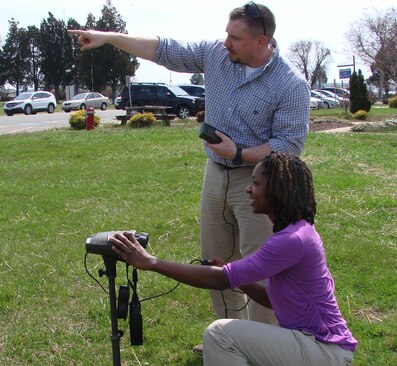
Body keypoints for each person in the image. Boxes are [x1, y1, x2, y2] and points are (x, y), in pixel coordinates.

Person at [69, 2, 311, 330]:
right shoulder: (217, 55)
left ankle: (264, 345)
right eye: (226, 33)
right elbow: (164, 49)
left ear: (261, 40)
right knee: (216, 260)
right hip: (216, 174)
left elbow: (289, 145)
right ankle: (230, 335)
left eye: (235, 38)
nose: (226, 42)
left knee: (262, 268)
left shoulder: (290, 84)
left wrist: (238, 152)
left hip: (262, 184)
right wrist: (109, 37)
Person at [109, 152, 361, 366]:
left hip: (323, 351)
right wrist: (236, 277)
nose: (247, 189)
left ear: (278, 189)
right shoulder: (295, 232)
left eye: (255, 183)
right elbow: (273, 299)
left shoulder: (290, 240)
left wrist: (151, 263)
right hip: (318, 354)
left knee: (220, 333)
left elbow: (220, 280)